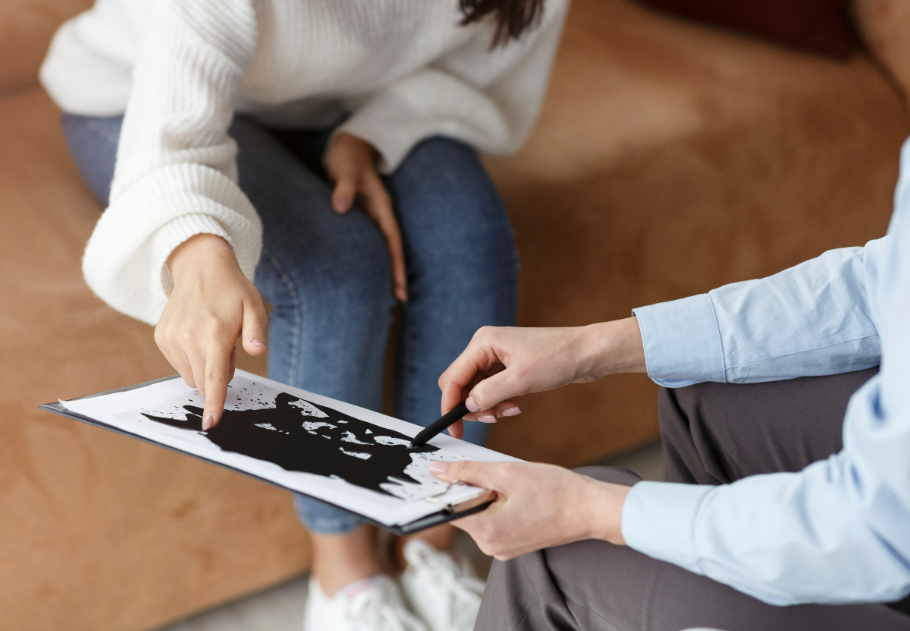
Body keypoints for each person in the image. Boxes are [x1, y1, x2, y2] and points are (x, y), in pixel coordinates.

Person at [39, 0, 569, 629]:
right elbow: (174, 135)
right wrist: (195, 246)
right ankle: (345, 574)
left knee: (470, 249)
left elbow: (478, 67)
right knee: (333, 276)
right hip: (141, 91)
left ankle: (432, 542)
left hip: (358, 98)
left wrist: (368, 133)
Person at [431, 138, 910, 629]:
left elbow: (874, 524)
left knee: (551, 557)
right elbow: (880, 281)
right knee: (708, 393)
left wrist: (592, 509)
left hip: (882, 531)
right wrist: (587, 348)